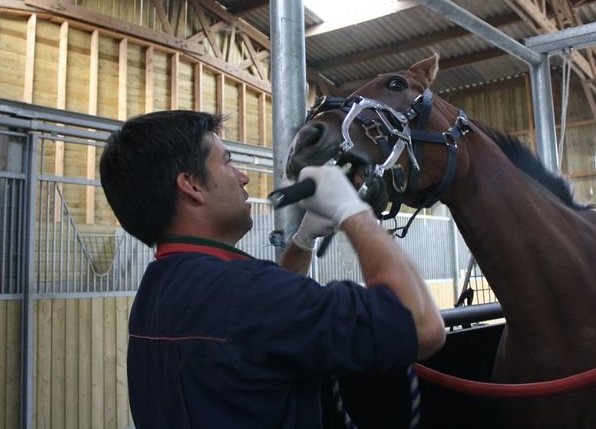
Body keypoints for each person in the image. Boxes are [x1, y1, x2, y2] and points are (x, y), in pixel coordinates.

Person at [99, 110, 445, 429]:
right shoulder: (247, 294)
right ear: (191, 185)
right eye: (228, 162)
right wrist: (352, 212)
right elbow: (422, 327)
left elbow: (267, 326)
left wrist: (303, 240)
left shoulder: (156, 291)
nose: (244, 177)